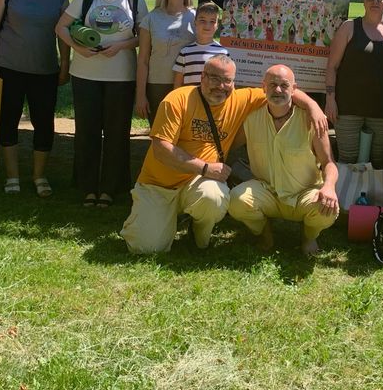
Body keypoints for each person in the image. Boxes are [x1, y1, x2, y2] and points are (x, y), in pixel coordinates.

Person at [121, 55, 327, 253]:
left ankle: (198, 234)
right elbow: (161, 149)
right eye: (214, 78)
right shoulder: (177, 99)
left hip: (199, 183)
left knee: (214, 197)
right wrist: (204, 168)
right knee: (145, 247)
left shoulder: (241, 99)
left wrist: (313, 106)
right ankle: (160, 217)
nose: (220, 86)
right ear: (202, 77)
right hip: (159, 184)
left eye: (227, 80)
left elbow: (281, 89)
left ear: (233, 83)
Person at [56, 0, 147, 207]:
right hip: (85, 75)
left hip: (122, 76)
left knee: (117, 134)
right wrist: (78, 48)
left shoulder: (135, 0)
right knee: (87, 132)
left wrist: (121, 46)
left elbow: (144, 37)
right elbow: (60, 27)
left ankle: (110, 188)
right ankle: (88, 187)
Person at [0, 0, 70, 196]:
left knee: (44, 123)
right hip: (9, 67)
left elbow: (64, 32)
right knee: (8, 120)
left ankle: (39, 176)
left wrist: (65, 64)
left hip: (45, 69)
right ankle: (12, 176)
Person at [228, 65, 340, 257]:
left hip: (304, 194)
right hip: (267, 191)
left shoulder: (311, 120)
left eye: (284, 85)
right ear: (263, 87)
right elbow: (227, 146)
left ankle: (309, 236)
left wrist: (329, 187)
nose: (278, 90)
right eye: (272, 85)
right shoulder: (251, 119)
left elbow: (329, 163)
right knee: (236, 200)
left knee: (327, 209)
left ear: (294, 89)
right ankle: (265, 232)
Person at [324, 0, 383, 167]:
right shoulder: (349, 27)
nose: (375, 1)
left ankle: (371, 190)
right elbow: (332, 66)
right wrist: (330, 100)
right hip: (348, 109)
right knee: (347, 161)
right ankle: (343, 189)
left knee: (376, 162)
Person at [135, 0, 195, 123]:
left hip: (187, 85)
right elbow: (143, 60)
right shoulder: (151, 19)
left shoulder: (196, 19)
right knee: (159, 133)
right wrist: (140, 95)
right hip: (157, 85)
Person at [171, 2, 227, 88]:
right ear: (195, 22)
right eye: (202, 20)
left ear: (217, 25)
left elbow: (227, 81)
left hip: (214, 96)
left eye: (212, 21)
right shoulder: (185, 52)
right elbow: (177, 83)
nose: (207, 25)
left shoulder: (223, 53)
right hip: (190, 96)